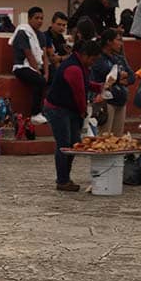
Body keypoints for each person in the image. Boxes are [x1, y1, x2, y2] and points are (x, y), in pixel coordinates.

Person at [42, 40, 103, 192]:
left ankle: (65, 177)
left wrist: (100, 87)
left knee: (74, 143)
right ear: (85, 55)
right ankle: (62, 180)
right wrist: (83, 111)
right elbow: (79, 93)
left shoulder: (80, 66)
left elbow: (85, 84)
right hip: (58, 108)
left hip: (69, 109)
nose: (93, 63)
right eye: (93, 60)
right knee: (64, 145)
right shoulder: (74, 68)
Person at [9, 7, 49, 125]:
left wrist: (47, 73)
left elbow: (44, 56)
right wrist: (39, 72)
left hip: (38, 67)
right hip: (22, 67)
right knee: (39, 81)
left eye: (41, 18)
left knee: (55, 77)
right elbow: (29, 54)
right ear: (29, 19)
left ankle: (48, 110)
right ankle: (35, 114)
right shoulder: (23, 32)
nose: (40, 21)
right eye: (36, 18)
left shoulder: (41, 35)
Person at [90, 29, 134, 135]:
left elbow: (132, 76)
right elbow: (109, 75)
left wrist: (124, 78)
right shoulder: (99, 58)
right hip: (106, 102)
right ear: (109, 41)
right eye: (118, 40)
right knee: (104, 136)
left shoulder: (119, 58)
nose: (121, 44)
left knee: (117, 138)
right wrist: (120, 76)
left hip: (121, 100)